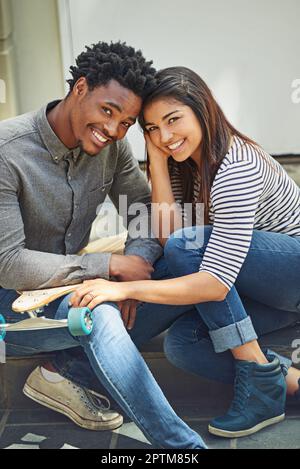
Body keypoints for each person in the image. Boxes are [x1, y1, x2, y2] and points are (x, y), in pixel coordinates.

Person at [70, 66, 300, 439]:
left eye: (173, 120)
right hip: (253, 288)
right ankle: (284, 382)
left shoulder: (237, 166)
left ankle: (255, 372)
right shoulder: (182, 162)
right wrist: (156, 161)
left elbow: (209, 280)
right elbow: (170, 240)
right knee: (183, 346)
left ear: (202, 108)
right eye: (152, 128)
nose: (166, 136)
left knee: (185, 248)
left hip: (289, 274)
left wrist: (124, 289)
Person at [0, 47, 207, 449]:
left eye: (126, 122)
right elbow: (7, 264)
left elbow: (143, 212)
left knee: (183, 251)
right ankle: (182, 448)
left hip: (67, 283)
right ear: (80, 88)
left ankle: (65, 370)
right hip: (11, 301)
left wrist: (135, 268)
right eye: (108, 111)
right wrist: (109, 266)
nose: (114, 130)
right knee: (100, 310)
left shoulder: (112, 149)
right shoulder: (7, 152)